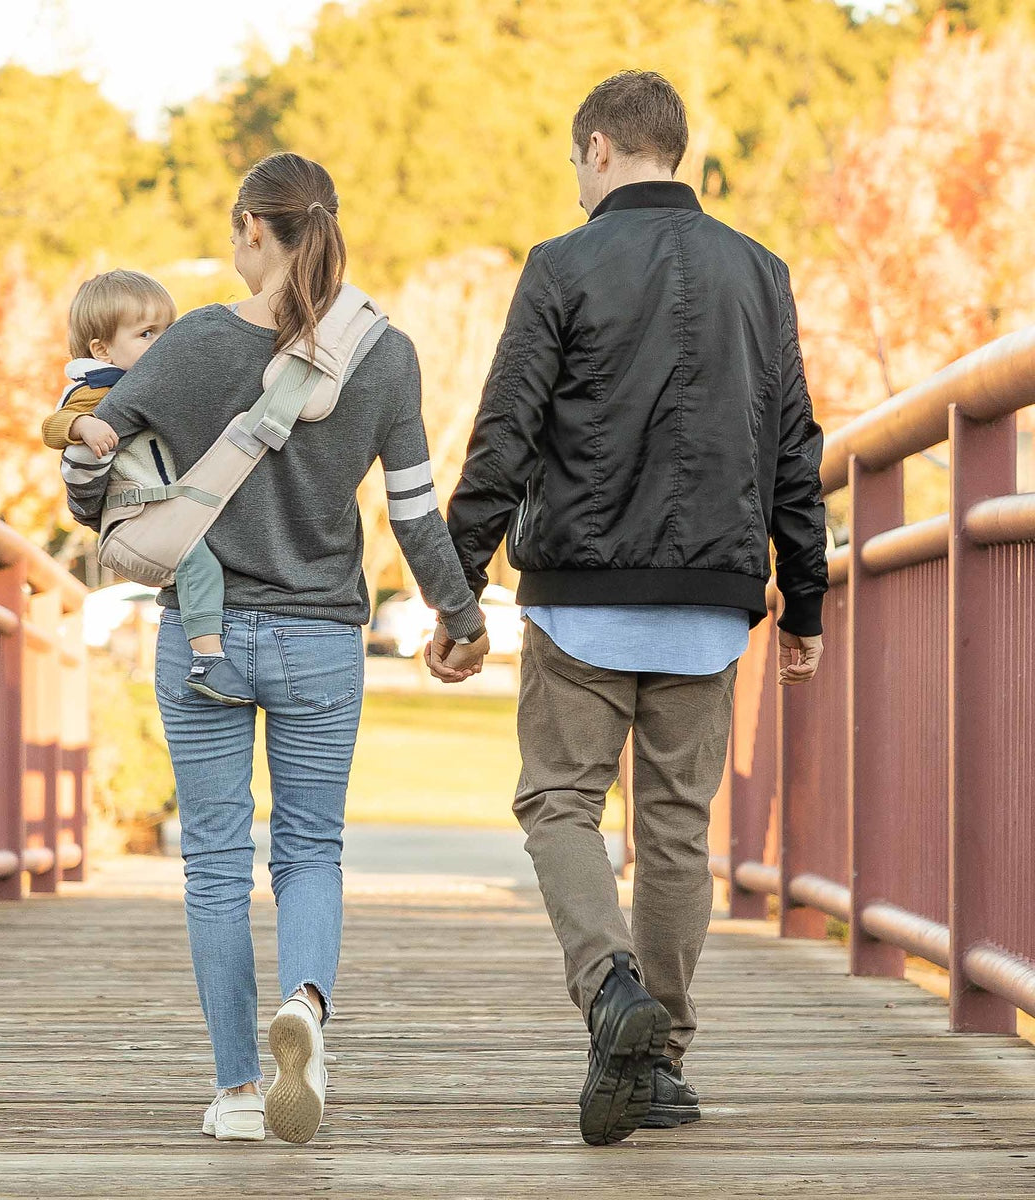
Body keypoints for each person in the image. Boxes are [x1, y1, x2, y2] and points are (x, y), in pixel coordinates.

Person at [63, 152, 489, 1145]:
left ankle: (239, 1092)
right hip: (321, 638)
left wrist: (98, 477)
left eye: (232, 229)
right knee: (309, 855)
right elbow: (417, 515)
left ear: (256, 229)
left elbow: (95, 479)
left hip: (203, 639)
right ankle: (306, 1004)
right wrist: (460, 620)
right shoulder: (387, 353)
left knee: (215, 864)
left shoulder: (199, 340)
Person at [437, 70, 828, 1146]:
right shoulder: (761, 272)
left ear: (601, 148)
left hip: (580, 598)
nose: (574, 184)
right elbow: (796, 447)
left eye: (575, 163)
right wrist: (806, 602)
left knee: (558, 802)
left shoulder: (563, 266)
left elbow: (506, 430)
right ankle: (659, 1066)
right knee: (672, 831)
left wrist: (458, 583)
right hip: (710, 601)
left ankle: (612, 993)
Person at [42, 269, 253, 705]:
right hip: (142, 513)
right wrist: (85, 425)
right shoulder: (96, 388)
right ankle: (207, 657)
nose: (164, 344)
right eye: (146, 334)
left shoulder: (164, 380)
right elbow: (52, 425)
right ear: (102, 349)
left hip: (170, 505)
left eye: (168, 331)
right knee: (198, 562)